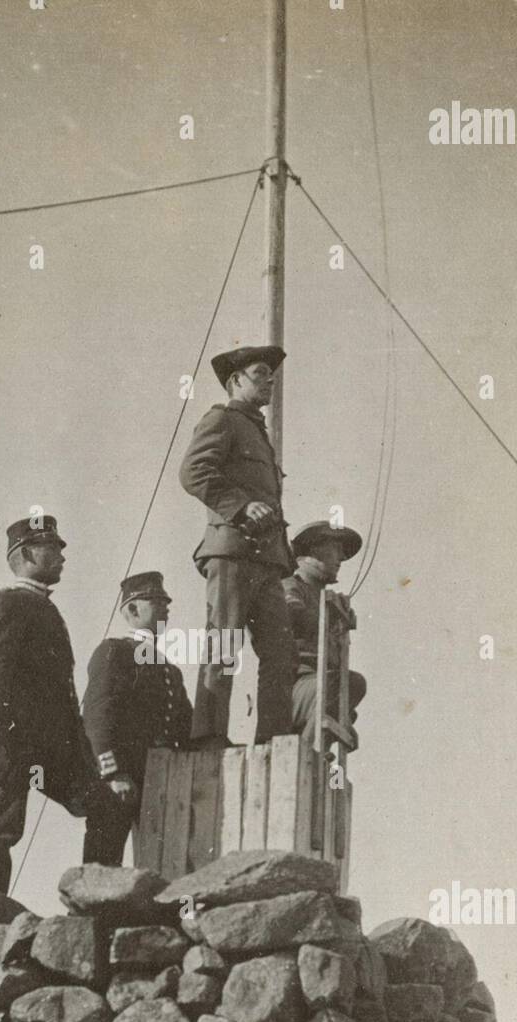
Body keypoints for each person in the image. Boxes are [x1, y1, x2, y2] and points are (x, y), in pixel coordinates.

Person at [0, 515, 97, 897]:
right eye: (51, 548)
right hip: (16, 743)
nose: (61, 555)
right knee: (1, 829)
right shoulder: (10, 604)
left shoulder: (44, 608)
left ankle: (97, 898)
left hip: (55, 750)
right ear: (26, 553)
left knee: (105, 807)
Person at [178, 344, 298, 747]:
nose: (271, 381)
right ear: (235, 381)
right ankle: (209, 735)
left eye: (272, 375)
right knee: (224, 643)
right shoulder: (223, 420)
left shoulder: (258, 434)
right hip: (231, 552)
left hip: (268, 561)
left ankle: (272, 740)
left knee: (281, 653)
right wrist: (243, 506)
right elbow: (193, 472)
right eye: (261, 373)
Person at [82, 571, 193, 865]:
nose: (166, 608)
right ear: (132, 609)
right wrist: (113, 773)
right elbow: (97, 716)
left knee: (157, 869)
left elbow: (186, 727)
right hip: (118, 781)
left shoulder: (170, 670)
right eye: (157, 601)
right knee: (102, 869)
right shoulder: (115, 651)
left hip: (158, 782)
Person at [283, 519, 367, 749]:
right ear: (313, 549)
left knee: (350, 687)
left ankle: (312, 752)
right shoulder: (291, 586)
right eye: (335, 549)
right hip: (291, 685)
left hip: (317, 685)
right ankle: (308, 754)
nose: (340, 558)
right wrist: (328, 613)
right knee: (345, 685)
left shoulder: (325, 599)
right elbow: (294, 619)